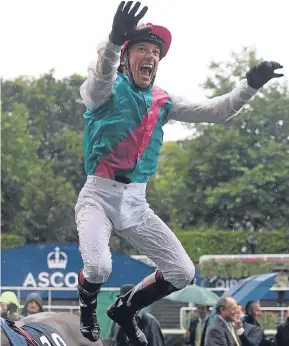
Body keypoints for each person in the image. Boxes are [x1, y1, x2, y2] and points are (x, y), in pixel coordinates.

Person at [75, 1, 284, 345]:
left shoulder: (164, 100)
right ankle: (87, 310)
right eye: (142, 48)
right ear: (127, 58)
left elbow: (216, 111)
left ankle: (125, 309)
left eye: (155, 52)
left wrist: (250, 85)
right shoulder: (106, 90)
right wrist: (113, 42)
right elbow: (101, 74)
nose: (151, 56)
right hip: (98, 195)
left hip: (136, 203)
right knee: (99, 268)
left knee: (183, 272)